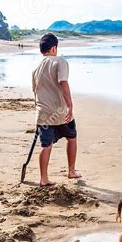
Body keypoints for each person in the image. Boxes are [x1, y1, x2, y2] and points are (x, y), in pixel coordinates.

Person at [32, 32, 80, 186]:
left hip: (43, 113)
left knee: (46, 145)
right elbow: (63, 82)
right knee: (71, 138)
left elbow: (36, 91)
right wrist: (70, 104)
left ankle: (43, 178)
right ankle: (71, 171)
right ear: (54, 48)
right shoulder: (60, 61)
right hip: (60, 112)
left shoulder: (36, 68)